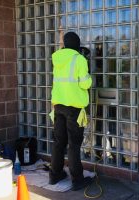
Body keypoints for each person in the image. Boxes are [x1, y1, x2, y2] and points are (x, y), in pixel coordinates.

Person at [49, 32, 93, 191]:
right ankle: (77, 180)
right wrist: (89, 76)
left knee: (59, 142)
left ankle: (55, 174)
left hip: (58, 106)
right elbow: (85, 84)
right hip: (74, 108)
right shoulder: (79, 59)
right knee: (74, 145)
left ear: (65, 44)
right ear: (77, 44)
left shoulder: (57, 58)